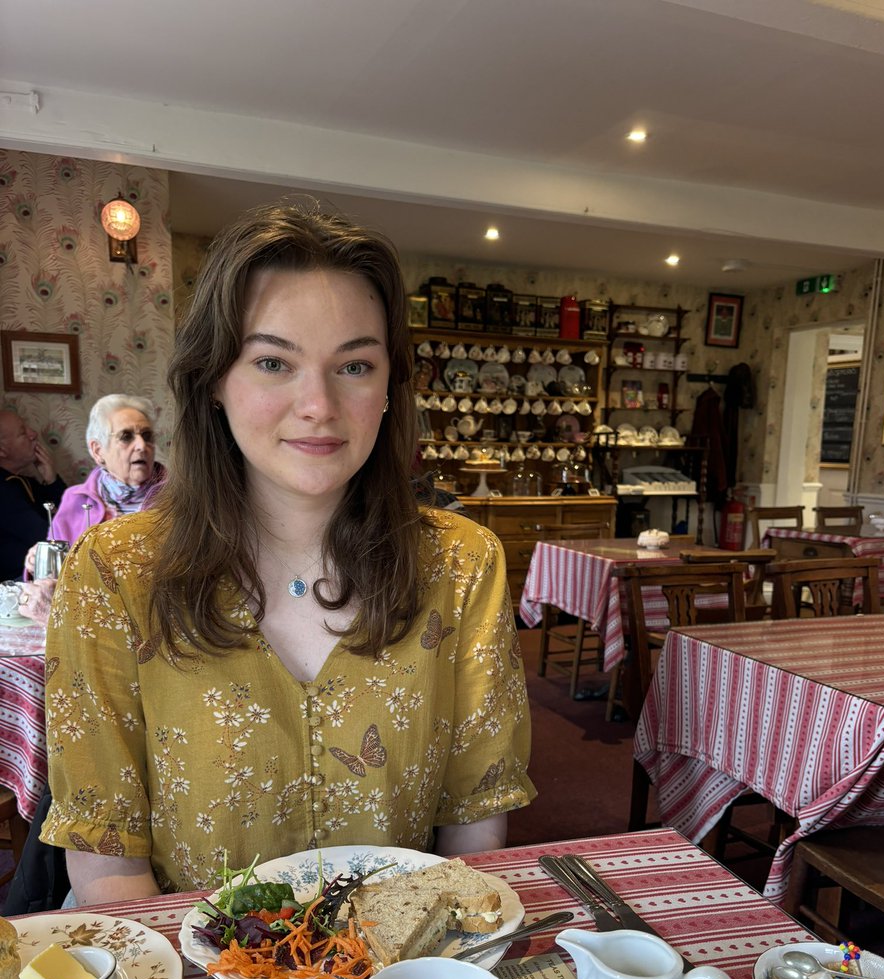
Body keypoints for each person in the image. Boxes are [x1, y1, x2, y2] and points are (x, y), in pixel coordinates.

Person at [42, 202, 535, 904]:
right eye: (274, 361)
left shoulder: (463, 565)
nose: (318, 404)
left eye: (355, 365)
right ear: (214, 380)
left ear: (390, 387)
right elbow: (108, 857)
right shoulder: (115, 572)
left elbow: (472, 825)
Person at [17, 394, 164, 625]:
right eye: (126, 437)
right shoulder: (75, 500)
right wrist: (38, 563)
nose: (141, 446)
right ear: (98, 451)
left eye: (147, 436)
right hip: (87, 623)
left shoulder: (181, 499)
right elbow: (53, 580)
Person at [0, 409, 65, 579]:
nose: (33, 434)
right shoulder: (3, 490)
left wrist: (51, 480)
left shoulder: (25, 482)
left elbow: (71, 515)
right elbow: (49, 537)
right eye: (23, 432)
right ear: (2, 450)